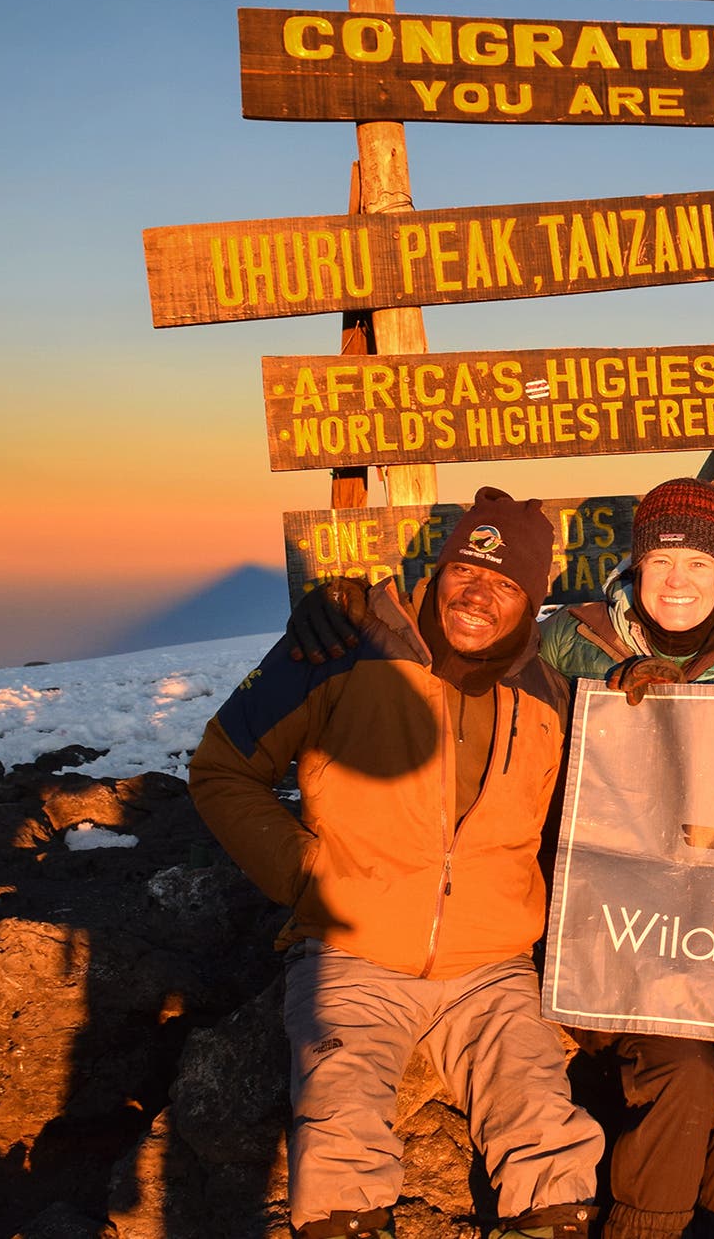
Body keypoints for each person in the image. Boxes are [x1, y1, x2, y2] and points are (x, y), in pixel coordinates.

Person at [189, 488, 604, 1239]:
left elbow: (597, 812)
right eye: (466, 572)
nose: (479, 595)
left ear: (532, 603)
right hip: (356, 951)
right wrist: (307, 876)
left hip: (493, 966)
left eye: (507, 583)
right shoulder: (344, 647)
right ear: (437, 572)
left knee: (547, 1138)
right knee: (340, 1138)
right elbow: (221, 769)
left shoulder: (551, 692)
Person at [535, 477, 714, 1239]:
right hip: (622, 929)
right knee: (685, 1075)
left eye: (699, 564)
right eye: (661, 563)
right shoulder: (570, 642)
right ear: (634, 570)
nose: (678, 581)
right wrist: (608, 705)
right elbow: (503, 718)